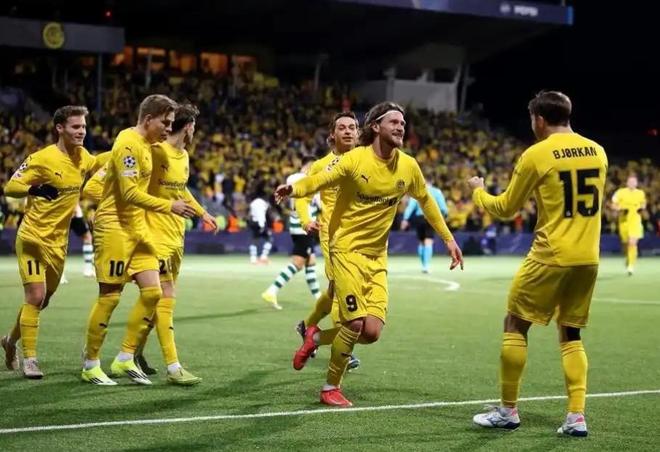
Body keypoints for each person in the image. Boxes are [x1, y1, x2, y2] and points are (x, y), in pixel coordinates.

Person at [275, 102, 463, 407]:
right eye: (394, 122)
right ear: (375, 126)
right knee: (353, 323)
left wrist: (448, 239)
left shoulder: (408, 166)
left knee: (372, 332)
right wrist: (293, 190)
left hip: (377, 257)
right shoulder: (354, 159)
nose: (401, 127)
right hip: (345, 249)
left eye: (403, 123)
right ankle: (330, 388)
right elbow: (317, 180)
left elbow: (426, 200)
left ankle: (314, 337)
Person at [469, 91, 607, 437]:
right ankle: (576, 416)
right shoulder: (598, 151)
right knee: (570, 332)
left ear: (540, 119)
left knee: (515, 323)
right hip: (588, 259)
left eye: (532, 119)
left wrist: (478, 191)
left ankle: (507, 411)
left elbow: (505, 208)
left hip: (551, 254)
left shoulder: (537, 153)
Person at [81, 94, 197, 386]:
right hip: (115, 228)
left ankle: (125, 358)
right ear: (148, 119)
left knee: (153, 293)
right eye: (165, 122)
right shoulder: (128, 144)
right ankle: (91, 364)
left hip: (138, 228)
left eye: (172, 123)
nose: (169, 128)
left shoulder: (150, 145)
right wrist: (169, 206)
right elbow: (130, 193)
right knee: (110, 296)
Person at [1, 105, 109, 378]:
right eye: (76, 126)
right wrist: (35, 188)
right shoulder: (42, 158)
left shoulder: (82, 157)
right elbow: (10, 187)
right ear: (60, 128)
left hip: (58, 244)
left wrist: (127, 146)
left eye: (83, 127)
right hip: (32, 238)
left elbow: (99, 161)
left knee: (43, 300)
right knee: (35, 297)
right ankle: (31, 359)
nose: (82, 131)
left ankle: (10, 341)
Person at [293, 111, 361, 370]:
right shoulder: (321, 166)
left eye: (352, 127)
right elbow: (302, 196)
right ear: (332, 134)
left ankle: (307, 326)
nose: (348, 131)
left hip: (361, 237)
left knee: (335, 290)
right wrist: (305, 221)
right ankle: (342, 346)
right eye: (342, 127)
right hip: (333, 237)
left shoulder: (366, 160)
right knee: (342, 289)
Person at [261, 156, 322, 310]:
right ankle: (271, 291)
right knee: (298, 262)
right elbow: (319, 204)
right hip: (304, 225)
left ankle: (319, 298)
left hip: (297, 223)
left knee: (310, 261)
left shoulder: (292, 178)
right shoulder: (306, 179)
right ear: (309, 166)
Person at [400, 178, 449, 273]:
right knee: (428, 241)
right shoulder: (436, 191)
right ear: (432, 181)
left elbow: (411, 206)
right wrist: (444, 215)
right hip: (430, 217)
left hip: (419, 218)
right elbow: (443, 207)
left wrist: (405, 219)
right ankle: (426, 266)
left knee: (422, 242)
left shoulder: (417, 191)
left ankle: (423, 265)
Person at [611, 175, 646, 275]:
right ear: (627, 183)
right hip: (624, 221)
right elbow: (613, 204)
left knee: (632, 243)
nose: (632, 183)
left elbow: (643, 204)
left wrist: (642, 208)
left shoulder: (640, 193)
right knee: (626, 245)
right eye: (630, 181)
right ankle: (628, 259)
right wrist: (618, 208)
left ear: (636, 183)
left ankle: (631, 266)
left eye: (633, 182)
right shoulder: (620, 192)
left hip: (635, 221)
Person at [248, 190, 273, 264]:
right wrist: (262, 226)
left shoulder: (253, 203)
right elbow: (261, 214)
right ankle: (263, 257)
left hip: (253, 223)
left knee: (254, 240)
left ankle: (253, 258)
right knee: (269, 239)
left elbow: (250, 214)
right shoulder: (263, 203)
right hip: (260, 223)